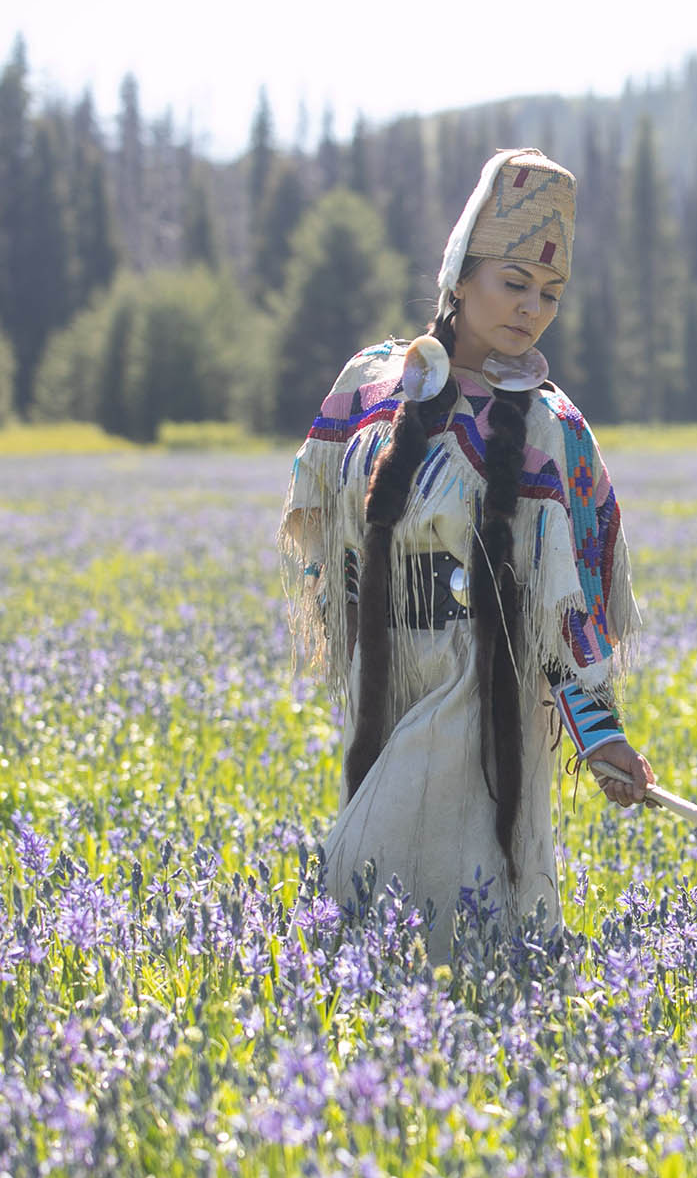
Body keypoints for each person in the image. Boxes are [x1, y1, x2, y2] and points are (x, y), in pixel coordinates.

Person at [277, 148, 654, 961]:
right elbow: (324, 518)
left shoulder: (552, 429)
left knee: (376, 876)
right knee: (412, 914)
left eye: (550, 294)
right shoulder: (370, 387)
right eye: (514, 282)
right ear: (459, 274)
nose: (532, 308)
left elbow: (565, 608)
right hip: (388, 674)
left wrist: (599, 735)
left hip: (479, 690)